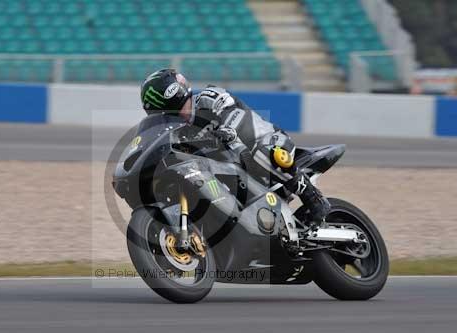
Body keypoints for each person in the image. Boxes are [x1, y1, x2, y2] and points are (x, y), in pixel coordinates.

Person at [140, 68, 330, 225]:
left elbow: (236, 114)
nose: (177, 116)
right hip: (235, 171)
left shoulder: (208, 97)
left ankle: (313, 197)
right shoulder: (179, 134)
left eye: (176, 109)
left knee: (265, 153)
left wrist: (228, 132)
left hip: (266, 143)